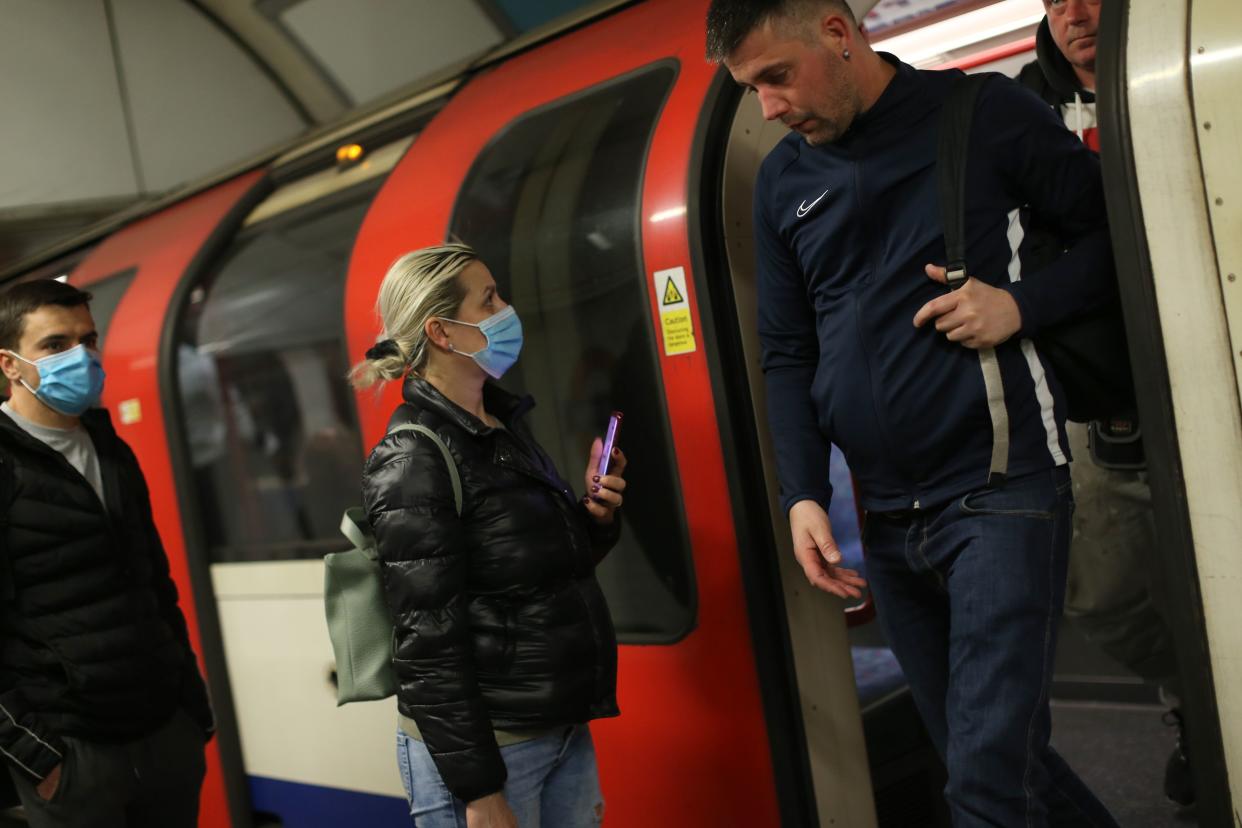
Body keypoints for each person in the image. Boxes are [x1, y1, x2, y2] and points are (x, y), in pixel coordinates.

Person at [707, 0, 1121, 824]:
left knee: (984, 789)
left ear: (836, 30)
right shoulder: (785, 179)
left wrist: (1019, 305)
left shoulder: (983, 115)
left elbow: (1118, 234)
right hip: (889, 518)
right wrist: (803, 494)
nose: (770, 108)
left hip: (1003, 491)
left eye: (776, 78)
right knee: (1003, 766)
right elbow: (788, 352)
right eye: (752, 91)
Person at [353, 244, 626, 828]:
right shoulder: (412, 459)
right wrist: (479, 792)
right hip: (492, 752)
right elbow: (427, 643)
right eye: (490, 299)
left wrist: (595, 518)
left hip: (556, 727)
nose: (507, 308)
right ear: (443, 332)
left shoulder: (499, 427)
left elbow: (535, 572)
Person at [1017, 0, 1194, 807]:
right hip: (1100, 393)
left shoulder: (1191, 71)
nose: (1077, 15)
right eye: (1056, 2)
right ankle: (1195, 694)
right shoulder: (1018, 114)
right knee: (1105, 589)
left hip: (1207, 362)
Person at [0, 280, 214, 827]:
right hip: (73, 750)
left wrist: (189, 702)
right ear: (10, 364)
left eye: (87, 339)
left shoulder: (110, 447)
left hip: (164, 728)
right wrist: (36, 755)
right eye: (55, 345)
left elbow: (154, 585)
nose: (82, 356)